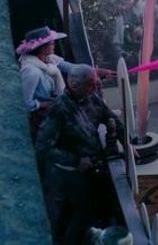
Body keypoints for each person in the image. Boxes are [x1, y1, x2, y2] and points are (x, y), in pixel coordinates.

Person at [36, 64, 124, 245]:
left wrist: (128, 142)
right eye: (90, 84)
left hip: (93, 169)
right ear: (73, 85)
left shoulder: (93, 99)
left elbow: (111, 118)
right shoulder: (58, 110)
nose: (95, 88)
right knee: (79, 216)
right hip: (69, 176)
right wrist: (76, 160)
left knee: (95, 211)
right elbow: (43, 147)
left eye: (95, 83)